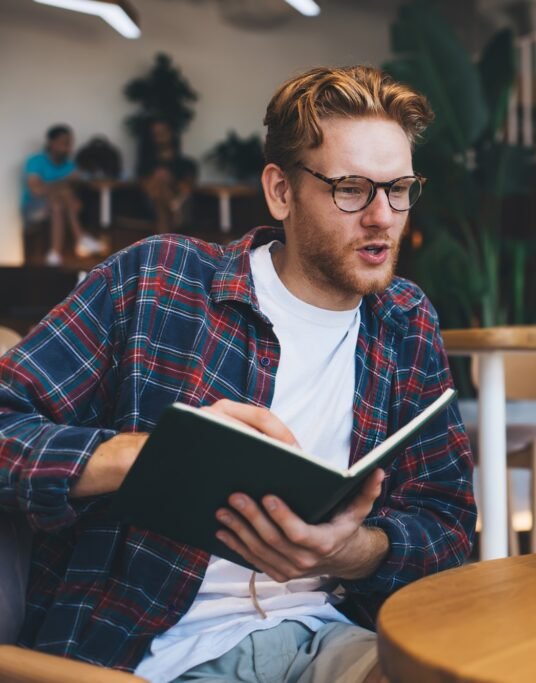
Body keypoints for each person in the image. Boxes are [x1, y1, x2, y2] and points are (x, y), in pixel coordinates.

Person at [0, 66, 476, 683]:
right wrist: (147, 456)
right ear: (281, 192)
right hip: (153, 650)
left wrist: (352, 551)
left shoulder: (404, 321)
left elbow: (448, 522)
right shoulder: (159, 279)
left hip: (329, 632)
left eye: (400, 188)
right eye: (352, 188)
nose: (383, 217)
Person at [21, 124, 104, 266]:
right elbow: (36, 190)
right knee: (62, 193)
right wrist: (63, 183)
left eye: (69, 143)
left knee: (57, 205)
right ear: (51, 143)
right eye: (63, 143)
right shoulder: (35, 161)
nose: (67, 147)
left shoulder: (70, 165)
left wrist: (61, 188)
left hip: (59, 207)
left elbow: (76, 203)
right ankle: (81, 237)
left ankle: (54, 254)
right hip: (34, 209)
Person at [137, 118, 198, 233]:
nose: (160, 136)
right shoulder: (146, 165)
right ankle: (173, 208)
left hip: (182, 203)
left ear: (171, 133)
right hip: (154, 206)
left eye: (163, 132)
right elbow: (146, 188)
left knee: (161, 200)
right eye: (155, 133)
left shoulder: (186, 164)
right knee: (160, 200)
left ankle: (173, 208)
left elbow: (187, 189)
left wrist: (171, 181)